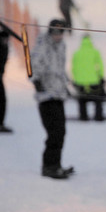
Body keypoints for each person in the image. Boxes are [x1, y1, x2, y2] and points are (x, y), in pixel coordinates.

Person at [31, 20, 74, 178]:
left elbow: (60, 69)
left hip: (58, 94)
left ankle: (56, 165)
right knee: (54, 133)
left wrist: (66, 86)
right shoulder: (42, 45)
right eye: (56, 32)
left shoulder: (62, 46)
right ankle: (48, 166)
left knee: (61, 132)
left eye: (61, 32)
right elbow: (33, 65)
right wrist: (36, 81)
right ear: (50, 32)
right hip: (46, 96)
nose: (59, 36)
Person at [71, 34, 106, 121]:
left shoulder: (76, 53)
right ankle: (98, 116)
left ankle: (83, 116)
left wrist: (75, 79)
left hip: (80, 82)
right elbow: (100, 66)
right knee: (98, 99)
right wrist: (101, 77)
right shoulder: (95, 52)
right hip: (94, 81)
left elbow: (74, 68)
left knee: (82, 100)